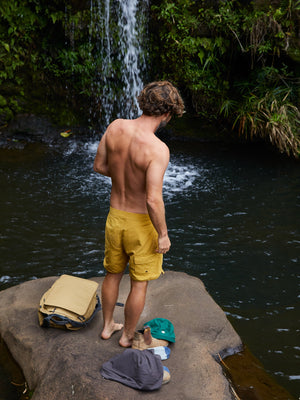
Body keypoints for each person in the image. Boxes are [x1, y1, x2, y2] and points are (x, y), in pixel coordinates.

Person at [93, 81, 184, 347]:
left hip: (115, 217)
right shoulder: (158, 149)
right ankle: (127, 336)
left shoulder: (115, 127)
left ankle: (107, 326)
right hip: (141, 225)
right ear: (167, 114)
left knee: (111, 275)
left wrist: (124, 175)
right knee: (139, 284)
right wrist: (163, 234)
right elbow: (153, 200)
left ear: (143, 102)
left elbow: (99, 166)